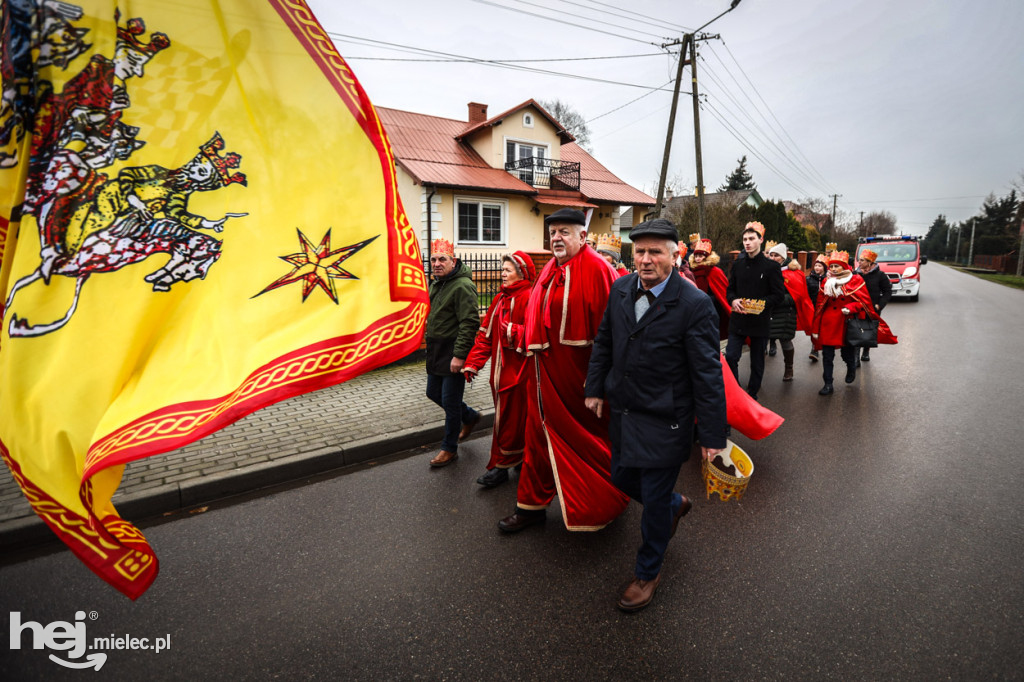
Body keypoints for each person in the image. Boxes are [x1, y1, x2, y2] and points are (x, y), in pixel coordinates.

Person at [585, 218, 727, 612]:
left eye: (655, 252)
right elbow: (605, 341)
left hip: (667, 419)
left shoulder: (694, 304)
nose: (645, 260)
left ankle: (648, 572)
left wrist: (713, 437)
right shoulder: (620, 289)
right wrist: (594, 387)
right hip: (625, 412)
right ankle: (671, 505)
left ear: (675, 254)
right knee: (622, 477)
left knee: (652, 497)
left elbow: (707, 374)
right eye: (640, 252)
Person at [497, 207, 628, 533]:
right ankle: (529, 507)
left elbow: (613, 334)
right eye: (553, 232)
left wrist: (598, 385)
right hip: (541, 379)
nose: (557, 237)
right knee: (538, 441)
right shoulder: (548, 270)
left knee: (585, 445)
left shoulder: (599, 270)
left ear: (582, 236)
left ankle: (603, 503)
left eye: (565, 231)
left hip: (579, 383)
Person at [462, 251, 536, 488]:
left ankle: (502, 466)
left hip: (523, 374)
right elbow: (485, 336)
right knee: (507, 420)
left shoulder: (532, 297)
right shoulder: (500, 299)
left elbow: (542, 336)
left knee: (513, 421)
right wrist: (473, 362)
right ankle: (517, 459)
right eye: (502, 269)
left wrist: (515, 332)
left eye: (508, 270)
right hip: (501, 375)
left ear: (521, 272)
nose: (502, 274)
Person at [424, 238, 480, 466]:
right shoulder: (437, 283)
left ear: (453, 261)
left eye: (442, 259)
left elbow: (469, 322)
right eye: (434, 260)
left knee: (450, 401)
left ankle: (449, 448)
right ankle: (470, 416)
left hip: (453, 351)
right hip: (436, 350)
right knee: (433, 393)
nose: (437, 264)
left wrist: (459, 356)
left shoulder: (462, 285)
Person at [811, 250, 897, 395]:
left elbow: (863, 303)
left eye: (836, 266)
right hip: (828, 324)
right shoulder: (826, 282)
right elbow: (819, 306)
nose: (833, 269)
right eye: (831, 267)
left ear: (844, 267)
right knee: (827, 355)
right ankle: (828, 383)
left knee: (847, 354)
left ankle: (851, 368)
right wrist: (816, 327)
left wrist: (849, 307)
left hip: (846, 323)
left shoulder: (855, 280)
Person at [724, 222, 786, 401]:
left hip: (759, 321)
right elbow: (730, 289)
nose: (747, 243)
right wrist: (733, 300)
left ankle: (752, 393)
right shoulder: (738, 264)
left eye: (751, 239)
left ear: (761, 240)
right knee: (731, 356)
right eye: (745, 239)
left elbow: (778, 295)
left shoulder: (771, 267)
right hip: (738, 320)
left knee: (757, 361)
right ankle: (735, 391)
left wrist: (759, 304)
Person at [854, 248, 892, 364]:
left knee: (868, 331)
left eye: (862, 260)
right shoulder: (855, 274)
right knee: (856, 330)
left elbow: (887, 291)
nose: (859, 262)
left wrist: (879, 305)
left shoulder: (880, 275)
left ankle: (866, 351)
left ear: (870, 262)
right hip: (857, 307)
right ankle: (856, 355)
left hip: (872, 309)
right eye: (859, 260)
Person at [689, 237, 730, 340]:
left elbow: (722, 293)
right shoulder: (692, 272)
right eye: (696, 256)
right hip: (695, 310)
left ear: (706, 257)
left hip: (712, 310)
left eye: (701, 256)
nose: (698, 258)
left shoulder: (714, 271)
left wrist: (708, 300)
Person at [805, 254, 828, 362]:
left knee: (824, 330)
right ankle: (814, 349)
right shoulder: (809, 279)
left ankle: (826, 347)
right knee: (814, 329)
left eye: (819, 266)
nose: (817, 268)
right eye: (816, 266)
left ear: (824, 267)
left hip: (826, 308)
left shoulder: (830, 279)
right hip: (813, 308)